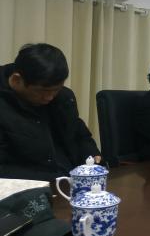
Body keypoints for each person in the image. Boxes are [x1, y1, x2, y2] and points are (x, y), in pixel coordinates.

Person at [0, 43, 100, 180]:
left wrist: (91, 154)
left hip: (71, 180)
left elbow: (78, 134)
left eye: (56, 89)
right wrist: (53, 180)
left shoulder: (63, 97)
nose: (49, 97)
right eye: (42, 91)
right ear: (17, 80)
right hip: (29, 185)